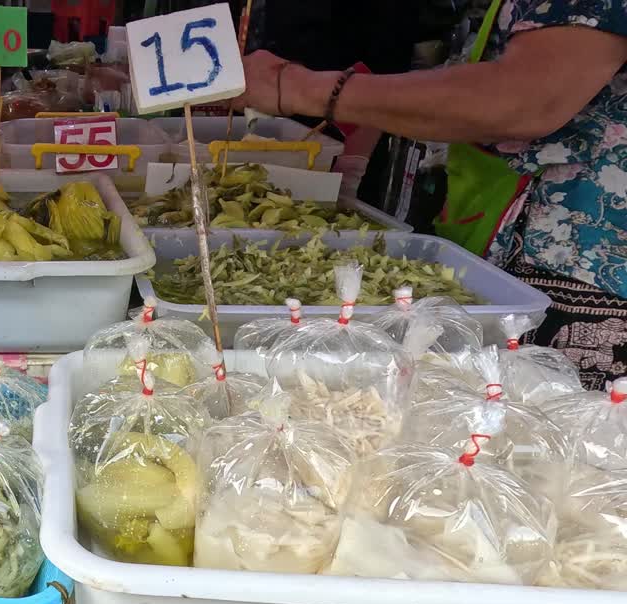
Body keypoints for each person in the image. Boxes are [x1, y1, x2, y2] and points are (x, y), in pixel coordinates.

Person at [234, 0, 627, 388]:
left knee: (548, 435)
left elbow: (526, 98)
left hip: (582, 276)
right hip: (514, 244)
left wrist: (301, 88)